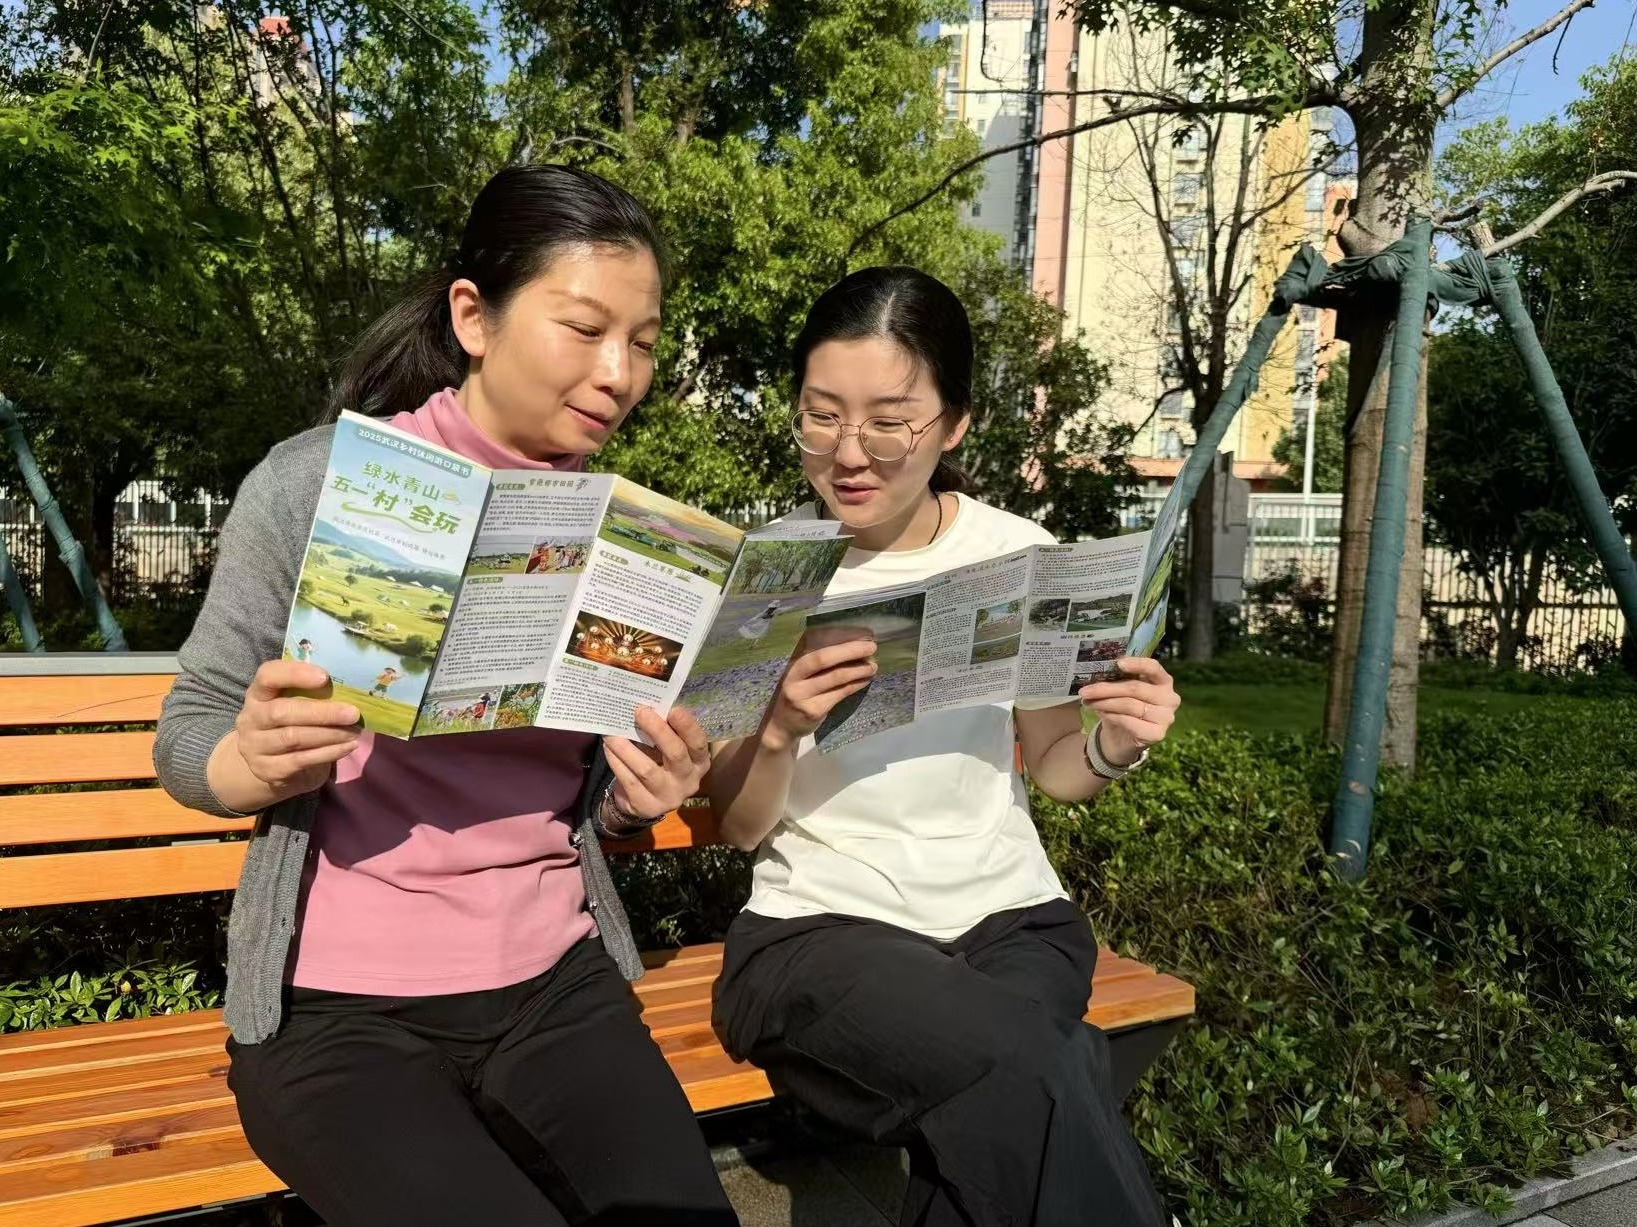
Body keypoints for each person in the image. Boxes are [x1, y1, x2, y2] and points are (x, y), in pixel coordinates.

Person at [156, 165, 737, 1227]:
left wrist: (638, 794)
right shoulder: (314, 484)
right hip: (338, 1012)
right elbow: (189, 730)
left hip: (554, 983)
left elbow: (587, 796)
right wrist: (246, 762)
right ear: (473, 317)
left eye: (643, 342)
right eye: (583, 328)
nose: (618, 373)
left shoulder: (622, 539)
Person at [707, 266, 1180, 1227]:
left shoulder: (1016, 553)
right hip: (820, 934)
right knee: (1044, 1066)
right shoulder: (771, 573)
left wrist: (1115, 744)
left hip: (1013, 922)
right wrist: (780, 729)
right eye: (820, 416)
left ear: (954, 423)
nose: (848, 452)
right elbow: (741, 825)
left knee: (1010, 1098)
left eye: (889, 422)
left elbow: (1057, 766)